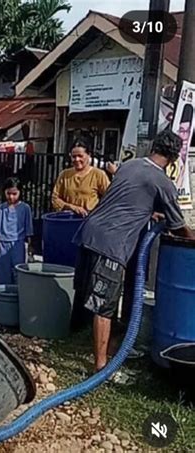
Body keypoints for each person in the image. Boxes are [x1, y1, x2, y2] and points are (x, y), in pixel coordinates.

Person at [72, 130, 195, 374]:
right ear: (172, 158)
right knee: (104, 305)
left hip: (90, 233)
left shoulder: (129, 166)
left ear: (153, 148)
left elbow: (128, 198)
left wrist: (149, 212)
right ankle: (101, 367)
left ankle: (104, 347)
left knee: (95, 298)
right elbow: (179, 227)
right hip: (113, 243)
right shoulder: (162, 182)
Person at [52, 138, 110, 217]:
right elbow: (55, 198)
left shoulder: (98, 174)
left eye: (80, 156)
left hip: (89, 220)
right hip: (68, 219)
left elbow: (110, 197)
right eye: (74, 156)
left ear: (88, 155)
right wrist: (71, 207)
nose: (77, 159)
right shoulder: (64, 175)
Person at [0, 177, 34, 285]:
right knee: (3, 271)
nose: (11, 196)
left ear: (20, 192)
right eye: (8, 193)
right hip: (3, 243)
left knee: (18, 270)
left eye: (14, 193)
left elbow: (28, 228)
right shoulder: (1, 208)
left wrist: (30, 245)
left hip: (18, 243)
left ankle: (18, 293)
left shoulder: (25, 208)